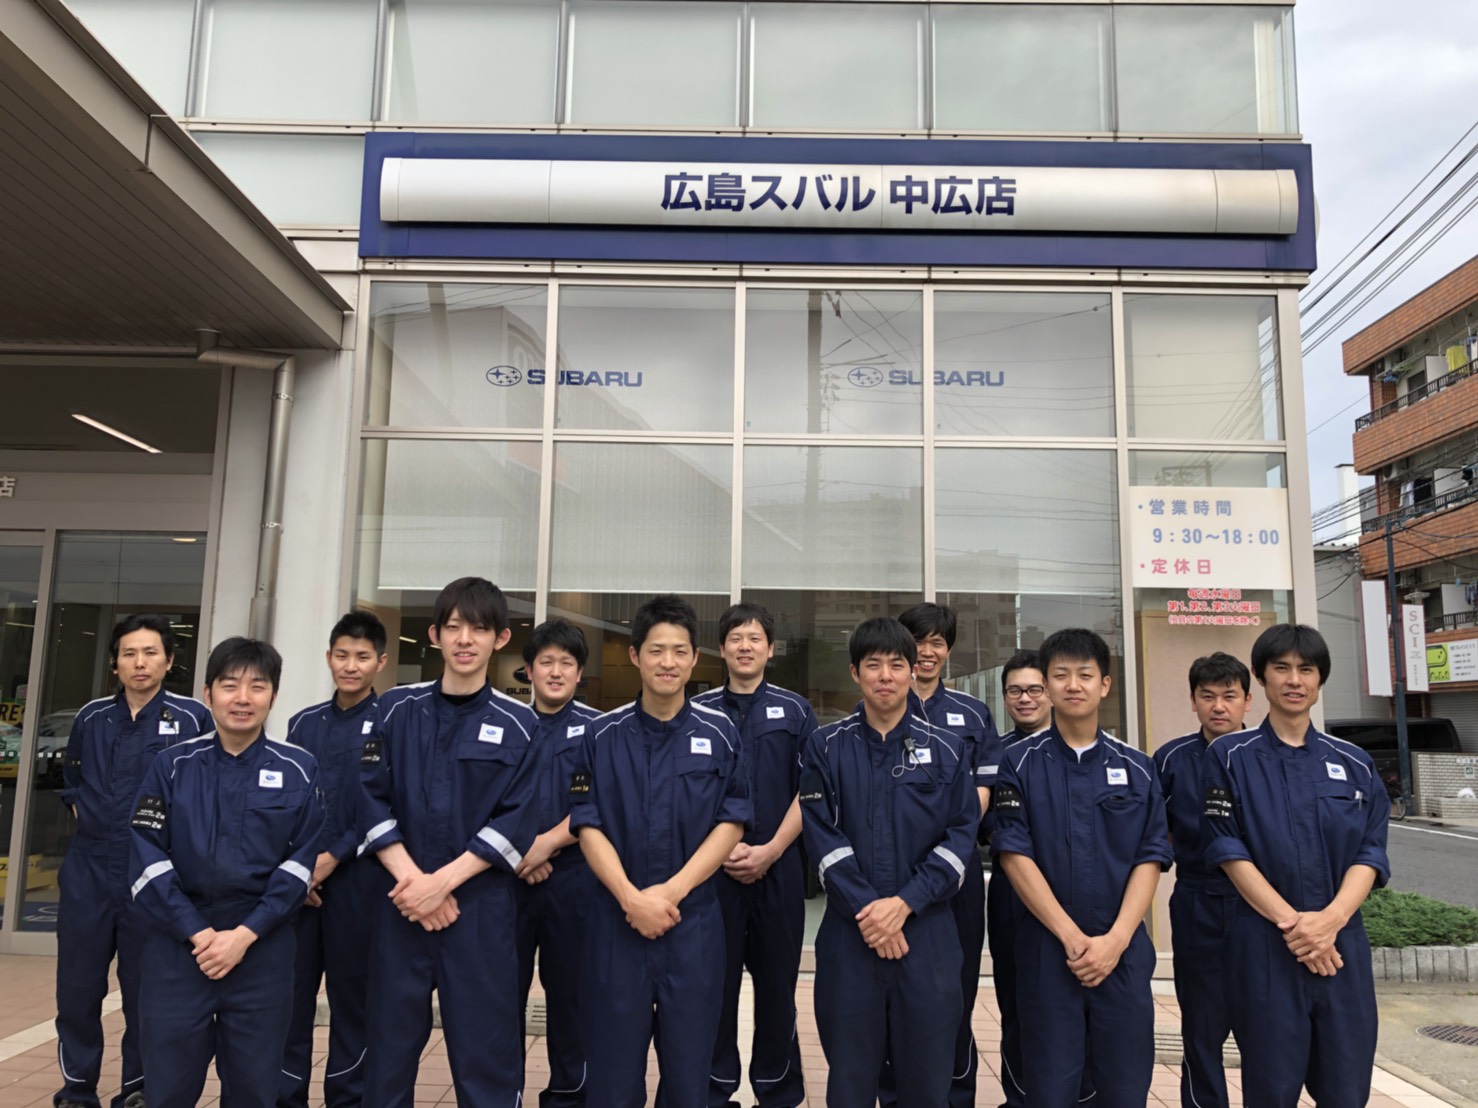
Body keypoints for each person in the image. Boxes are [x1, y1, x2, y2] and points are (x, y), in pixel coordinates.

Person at [358, 577, 542, 1108]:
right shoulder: (394, 709)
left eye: (478, 629)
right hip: (401, 905)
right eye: (454, 627)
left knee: (486, 1059)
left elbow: (517, 819)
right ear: (435, 634)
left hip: (479, 912)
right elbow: (368, 799)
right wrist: (416, 884)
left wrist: (440, 885)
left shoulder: (521, 724)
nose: (465, 639)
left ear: (500, 639)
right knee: (387, 1057)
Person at [570, 594, 750, 1108]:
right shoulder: (600, 736)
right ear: (635, 656)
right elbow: (586, 823)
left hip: (693, 926)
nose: (667, 662)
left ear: (695, 659)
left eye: (679, 651)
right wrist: (631, 899)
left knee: (690, 1078)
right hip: (615, 926)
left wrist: (670, 893)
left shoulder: (720, 734)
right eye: (656, 650)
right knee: (611, 1079)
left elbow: (732, 821)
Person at [129, 637, 325, 1108]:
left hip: (262, 948)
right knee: (168, 1089)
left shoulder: (299, 768)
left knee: (255, 1090)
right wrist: (198, 934)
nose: (243, 698)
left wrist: (243, 936)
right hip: (179, 948)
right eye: (230, 685)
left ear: (273, 696)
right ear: (207, 693)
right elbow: (145, 855)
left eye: (257, 686)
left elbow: (301, 865)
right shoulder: (172, 765)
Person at [1201, 624, 1390, 1107]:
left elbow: (1370, 852)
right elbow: (1228, 850)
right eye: (1281, 668)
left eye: (1306, 669)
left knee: (1346, 1090)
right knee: (1271, 1089)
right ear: (1260, 677)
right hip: (1266, 946)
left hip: (1341, 948)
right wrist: (1298, 928)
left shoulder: (1355, 763)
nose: (1294, 680)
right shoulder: (1228, 757)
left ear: (1320, 678)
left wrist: (1329, 923)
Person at [799, 617, 979, 1108]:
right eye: (873, 665)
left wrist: (904, 904)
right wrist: (871, 912)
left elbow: (961, 835)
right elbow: (821, 836)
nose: (885, 676)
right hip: (850, 937)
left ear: (912, 671)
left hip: (927, 937)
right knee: (850, 1081)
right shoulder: (825, 747)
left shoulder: (947, 750)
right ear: (854, 673)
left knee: (926, 1083)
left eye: (896, 665)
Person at [990, 628, 1170, 1108]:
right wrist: (1071, 938)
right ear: (1047, 685)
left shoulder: (1139, 768)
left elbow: (1151, 857)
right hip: (1048, 953)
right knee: (1049, 1088)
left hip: (1122, 954)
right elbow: (1014, 854)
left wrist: (1116, 941)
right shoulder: (1017, 764)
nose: (1073, 685)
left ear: (1104, 685)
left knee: (1124, 1088)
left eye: (1085, 675)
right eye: (1061, 675)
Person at [55, 613, 212, 1108]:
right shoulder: (92, 717)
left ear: (169, 660)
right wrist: (89, 818)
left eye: (150, 653)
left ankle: (138, 1089)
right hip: (90, 870)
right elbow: (72, 782)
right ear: (114, 664)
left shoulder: (193, 718)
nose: (140, 662)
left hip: (154, 874)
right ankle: (77, 1088)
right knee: (77, 988)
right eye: (129, 653)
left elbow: (207, 790)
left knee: (146, 990)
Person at [693, 603, 816, 1108]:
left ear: (771, 648)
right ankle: (712, 1091)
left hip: (778, 870)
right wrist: (717, 853)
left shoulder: (796, 711)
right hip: (712, 876)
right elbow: (689, 795)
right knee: (712, 990)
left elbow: (811, 792)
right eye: (735, 638)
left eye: (755, 638)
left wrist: (770, 850)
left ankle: (778, 1092)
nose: (745, 647)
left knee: (777, 991)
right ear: (721, 649)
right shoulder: (698, 711)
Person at [884, 603, 1001, 1108]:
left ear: (948, 650)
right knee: (894, 987)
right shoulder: (883, 705)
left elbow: (983, 791)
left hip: (956, 869)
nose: (927, 652)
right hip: (893, 868)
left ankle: (955, 1093)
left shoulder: (972, 714)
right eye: (918, 640)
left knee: (956, 988)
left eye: (937, 642)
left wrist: (949, 836)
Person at [278, 611, 390, 1108]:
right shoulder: (303, 724)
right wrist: (301, 869)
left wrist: (333, 858)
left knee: (354, 1000)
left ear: (380, 662)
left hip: (360, 881)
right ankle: (286, 1096)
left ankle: (347, 1097)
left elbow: (386, 803)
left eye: (362, 657)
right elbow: (289, 804)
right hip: (301, 887)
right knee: (290, 997)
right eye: (342, 655)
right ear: (328, 657)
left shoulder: (391, 722)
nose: (350, 665)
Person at [1151, 652, 1251, 1108]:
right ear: (1193, 701)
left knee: (1263, 1024)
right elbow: (1159, 833)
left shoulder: (1263, 754)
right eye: (1207, 696)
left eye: (1229, 696)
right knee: (1201, 1026)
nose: (1218, 706)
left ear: (1247, 700)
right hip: (1197, 899)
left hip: (1259, 906)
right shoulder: (1171, 759)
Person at [513, 618, 603, 1108]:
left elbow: (600, 802)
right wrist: (520, 853)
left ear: (579, 672)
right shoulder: (508, 724)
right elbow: (484, 799)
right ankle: (503, 1093)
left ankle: (569, 1096)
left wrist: (545, 845)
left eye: (566, 663)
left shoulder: (598, 729)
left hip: (573, 880)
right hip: (507, 879)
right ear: (528, 670)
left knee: (570, 996)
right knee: (501, 995)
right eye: (545, 662)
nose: (555, 671)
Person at [983, 650, 1049, 1108]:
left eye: (1034, 689)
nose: (1025, 699)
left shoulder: (1090, 750)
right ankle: (1019, 1096)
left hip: (1077, 893)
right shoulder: (996, 753)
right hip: (1012, 892)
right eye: (1015, 691)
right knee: (1015, 1001)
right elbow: (988, 826)